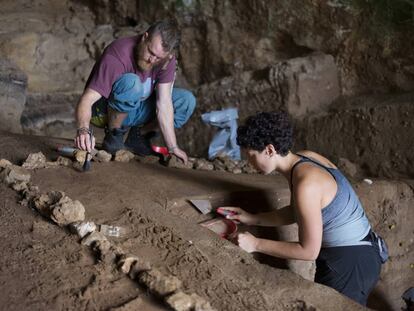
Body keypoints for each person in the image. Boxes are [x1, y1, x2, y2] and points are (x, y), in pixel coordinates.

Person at [218, 111, 382, 305]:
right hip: (362, 252)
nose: (249, 162)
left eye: (251, 155)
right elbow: (298, 212)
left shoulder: (307, 184)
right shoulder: (306, 158)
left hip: (349, 263)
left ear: (270, 150)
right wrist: (253, 218)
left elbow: (308, 251)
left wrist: (255, 244)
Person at [74, 20, 196, 163]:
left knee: (186, 101)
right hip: (103, 111)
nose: (152, 60)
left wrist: (173, 147)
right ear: (145, 37)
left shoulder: (166, 61)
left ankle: (139, 136)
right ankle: (114, 136)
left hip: (134, 108)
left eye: (158, 58)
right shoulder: (118, 54)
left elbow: (164, 103)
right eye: (151, 52)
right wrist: (83, 130)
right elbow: (87, 99)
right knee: (132, 83)